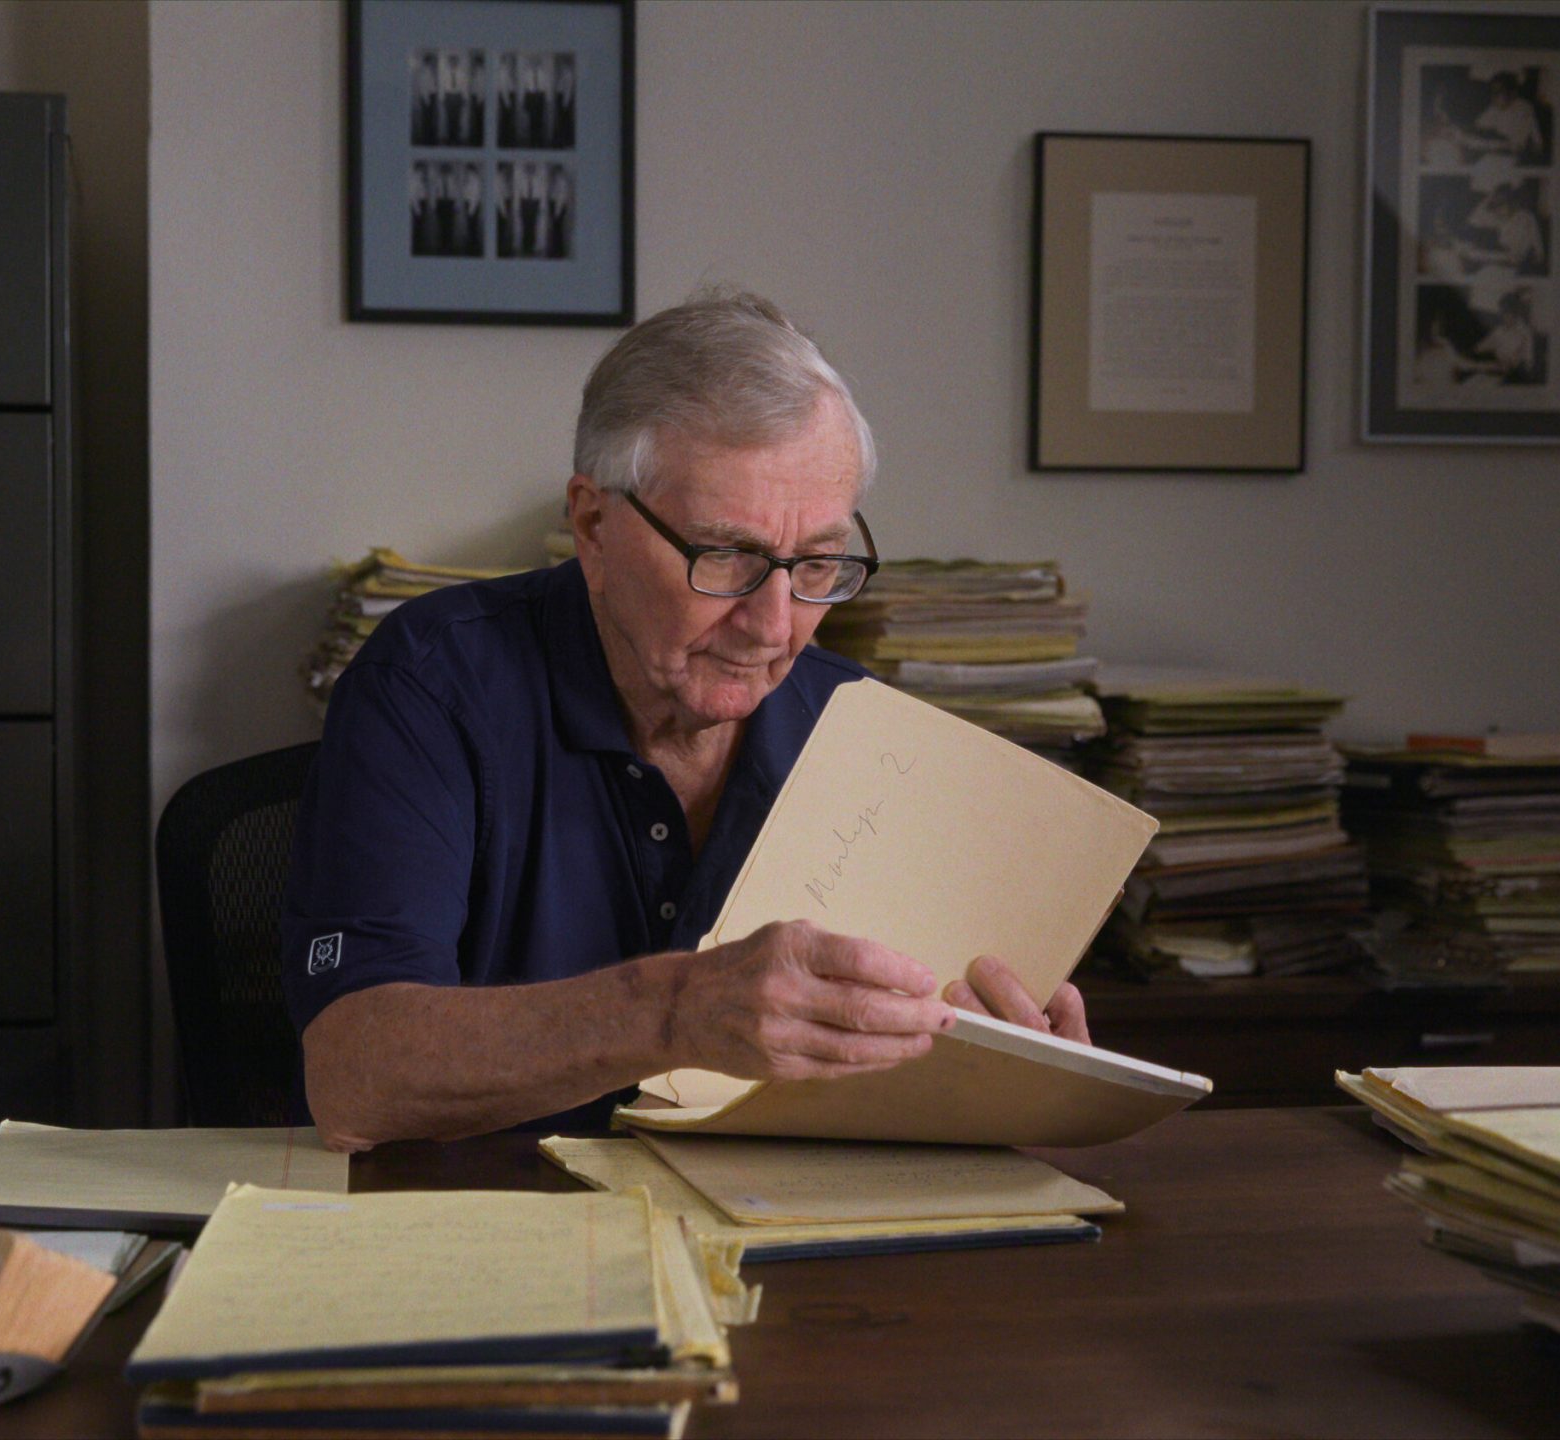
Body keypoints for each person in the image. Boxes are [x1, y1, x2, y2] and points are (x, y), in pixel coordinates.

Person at [280, 290, 1092, 1149]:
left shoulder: (860, 730)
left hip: (764, 1211)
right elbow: (355, 1076)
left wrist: (1004, 1075)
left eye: (818, 564)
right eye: (727, 557)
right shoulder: (430, 683)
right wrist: (674, 1012)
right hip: (480, 1212)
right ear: (594, 525)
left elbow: (890, 1092)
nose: (773, 626)